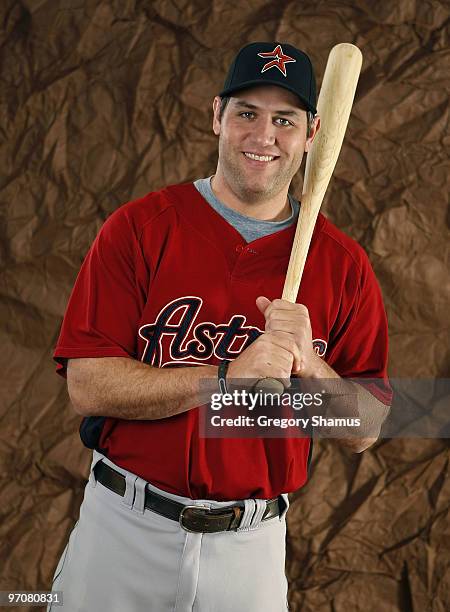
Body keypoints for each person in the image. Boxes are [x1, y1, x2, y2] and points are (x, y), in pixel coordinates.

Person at [48, 42, 391, 611]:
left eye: (284, 119)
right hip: (124, 529)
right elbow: (86, 385)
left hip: (249, 548)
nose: (264, 136)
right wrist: (225, 378)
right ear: (216, 117)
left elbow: (367, 427)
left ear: (312, 135)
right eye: (246, 113)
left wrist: (310, 364)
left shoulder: (343, 264)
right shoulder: (140, 228)